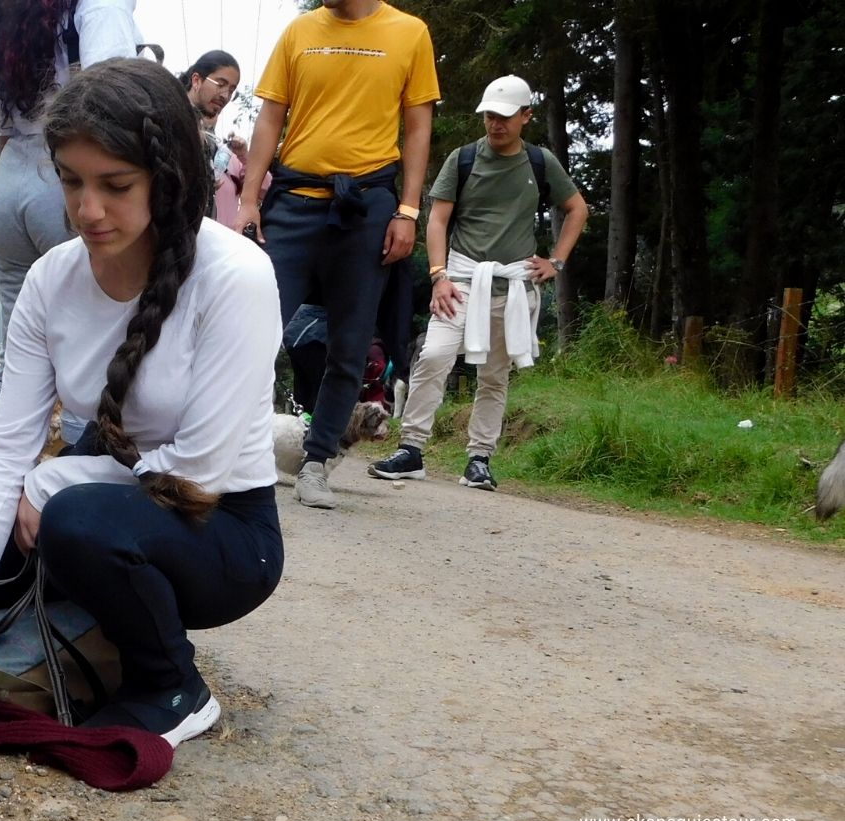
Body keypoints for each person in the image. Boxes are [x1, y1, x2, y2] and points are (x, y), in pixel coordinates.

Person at [0, 59, 285, 746]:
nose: (88, 210)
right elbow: (5, 450)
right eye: (72, 182)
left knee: (76, 520)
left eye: (115, 185)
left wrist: (54, 480)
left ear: (166, 180)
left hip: (221, 525)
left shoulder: (236, 278)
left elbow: (197, 471)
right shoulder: (53, 280)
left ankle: (171, 684)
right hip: (106, 488)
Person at [236, 0, 439, 510]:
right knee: (251, 331)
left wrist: (409, 211)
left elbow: (417, 127)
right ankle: (226, 448)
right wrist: (248, 200)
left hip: (367, 207)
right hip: (295, 201)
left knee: (350, 347)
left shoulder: (409, 33)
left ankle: (316, 463)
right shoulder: (299, 31)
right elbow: (271, 117)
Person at [370, 75, 587, 490]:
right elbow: (437, 219)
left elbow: (576, 208)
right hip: (461, 278)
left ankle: (479, 458)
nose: (495, 124)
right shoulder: (464, 158)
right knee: (433, 355)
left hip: (512, 285)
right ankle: (411, 449)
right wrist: (438, 276)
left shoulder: (540, 162)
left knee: (494, 374)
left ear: (526, 116)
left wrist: (556, 261)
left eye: (505, 116)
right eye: (489, 115)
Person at [0, 0, 150, 443]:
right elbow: (114, 101)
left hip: (11, 178)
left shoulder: (9, 13)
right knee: (95, 349)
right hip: (67, 175)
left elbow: (2, 128)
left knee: (16, 350)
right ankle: (78, 479)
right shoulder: (98, 7)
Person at [181, 49, 241, 217]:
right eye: (220, 84)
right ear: (196, 80)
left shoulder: (211, 140)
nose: (225, 95)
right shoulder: (170, 117)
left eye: (231, 90)